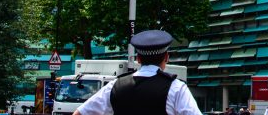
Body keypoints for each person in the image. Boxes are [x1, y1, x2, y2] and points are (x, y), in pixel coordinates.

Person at [73, 29, 201, 115]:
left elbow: (80, 113)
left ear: (138, 58)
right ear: (166, 57)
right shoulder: (176, 88)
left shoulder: (115, 86)